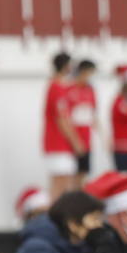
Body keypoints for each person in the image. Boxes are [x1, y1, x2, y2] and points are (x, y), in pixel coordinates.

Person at [43, 52, 79, 199]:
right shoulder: (56, 88)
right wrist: (75, 141)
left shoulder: (60, 87)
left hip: (63, 145)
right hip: (57, 143)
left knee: (66, 182)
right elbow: (61, 119)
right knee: (60, 183)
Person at [66, 59, 100, 186]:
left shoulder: (91, 90)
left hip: (87, 139)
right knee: (71, 174)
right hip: (73, 140)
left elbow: (94, 115)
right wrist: (75, 140)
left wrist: (103, 136)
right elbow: (65, 117)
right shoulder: (70, 89)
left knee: (83, 172)